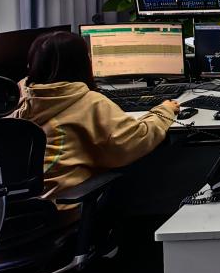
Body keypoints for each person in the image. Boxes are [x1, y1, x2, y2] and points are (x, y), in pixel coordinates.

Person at [13, 30, 180, 202]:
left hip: (18, 206)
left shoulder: (17, 98)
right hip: (65, 204)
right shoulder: (90, 103)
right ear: (82, 63)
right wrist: (164, 111)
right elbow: (132, 142)